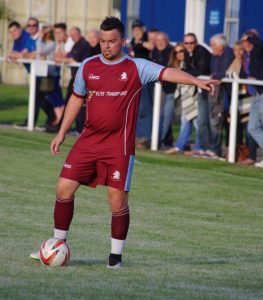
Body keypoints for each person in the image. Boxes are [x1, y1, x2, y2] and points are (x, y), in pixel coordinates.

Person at [30, 16, 217, 268]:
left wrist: (195, 80)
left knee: (117, 201)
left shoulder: (136, 67)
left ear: (123, 41)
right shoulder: (88, 65)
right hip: (88, 141)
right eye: (103, 41)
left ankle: (115, 258)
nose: (106, 46)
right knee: (63, 188)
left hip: (119, 147)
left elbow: (168, 72)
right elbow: (76, 99)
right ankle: (56, 245)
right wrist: (61, 132)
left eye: (112, 41)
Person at [8, 20, 55, 128]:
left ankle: (49, 120)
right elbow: (13, 54)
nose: (13, 33)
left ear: (20, 29)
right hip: (35, 73)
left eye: (14, 30)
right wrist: (19, 55)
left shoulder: (28, 37)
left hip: (44, 72)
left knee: (41, 99)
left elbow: (32, 55)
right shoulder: (22, 38)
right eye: (29, 25)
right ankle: (47, 120)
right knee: (39, 99)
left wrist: (19, 55)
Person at [165, 43, 201, 154]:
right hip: (184, 96)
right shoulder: (176, 66)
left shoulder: (191, 62)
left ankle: (198, 148)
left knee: (197, 123)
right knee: (185, 121)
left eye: (181, 51)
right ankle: (180, 146)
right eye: (177, 52)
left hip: (195, 94)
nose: (179, 54)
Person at [58, 26, 93, 133]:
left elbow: (73, 59)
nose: (73, 37)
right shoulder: (76, 44)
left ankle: (78, 128)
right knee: (70, 103)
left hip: (82, 79)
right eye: (71, 35)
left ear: (80, 33)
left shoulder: (83, 44)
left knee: (79, 104)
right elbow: (67, 56)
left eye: (74, 34)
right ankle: (64, 127)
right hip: (75, 78)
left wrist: (62, 59)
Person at [183, 33, 211, 156]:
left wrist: (184, 72)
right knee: (190, 118)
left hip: (208, 88)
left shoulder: (203, 52)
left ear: (196, 42)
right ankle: (197, 146)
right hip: (195, 88)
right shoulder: (186, 53)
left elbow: (201, 70)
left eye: (191, 43)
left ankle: (203, 147)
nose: (189, 45)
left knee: (203, 120)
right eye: (186, 43)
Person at [129, 19, 155, 148]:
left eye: (138, 30)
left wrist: (143, 43)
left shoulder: (146, 40)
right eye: (134, 30)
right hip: (136, 77)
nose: (136, 32)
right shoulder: (133, 42)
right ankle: (138, 136)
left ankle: (145, 137)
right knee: (137, 107)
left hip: (145, 76)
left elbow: (152, 47)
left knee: (145, 107)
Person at [208, 33, 234, 158]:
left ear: (221, 45)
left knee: (227, 122)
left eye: (213, 44)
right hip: (220, 94)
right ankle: (216, 149)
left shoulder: (228, 53)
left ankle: (228, 151)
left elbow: (223, 72)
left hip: (228, 93)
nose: (211, 47)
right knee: (217, 120)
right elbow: (213, 71)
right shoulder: (215, 54)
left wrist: (216, 76)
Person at [240, 32, 263, 167]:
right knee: (252, 127)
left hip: (262, 93)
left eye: (248, 41)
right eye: (243, 42)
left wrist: (250, 37)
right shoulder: (246, 56)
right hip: (255, 96)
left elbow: (260, 44)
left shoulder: (259, 52)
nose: (246, 44)